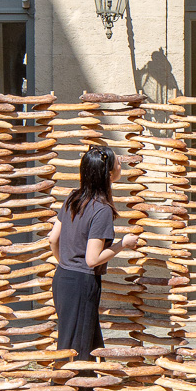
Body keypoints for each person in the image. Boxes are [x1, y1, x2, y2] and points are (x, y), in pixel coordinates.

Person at [48, 146, 137, 359]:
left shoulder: (73, 198)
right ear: (107, 172)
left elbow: (52, 239)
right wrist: (122, 244)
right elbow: (92, 260)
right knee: (77, 349)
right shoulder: (101, 210)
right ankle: (65, 390)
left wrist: (66, 264)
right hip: (82, 283)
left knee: (82, 340)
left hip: (62, 278)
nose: (120, 165)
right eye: (117, 162)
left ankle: (87, 389)